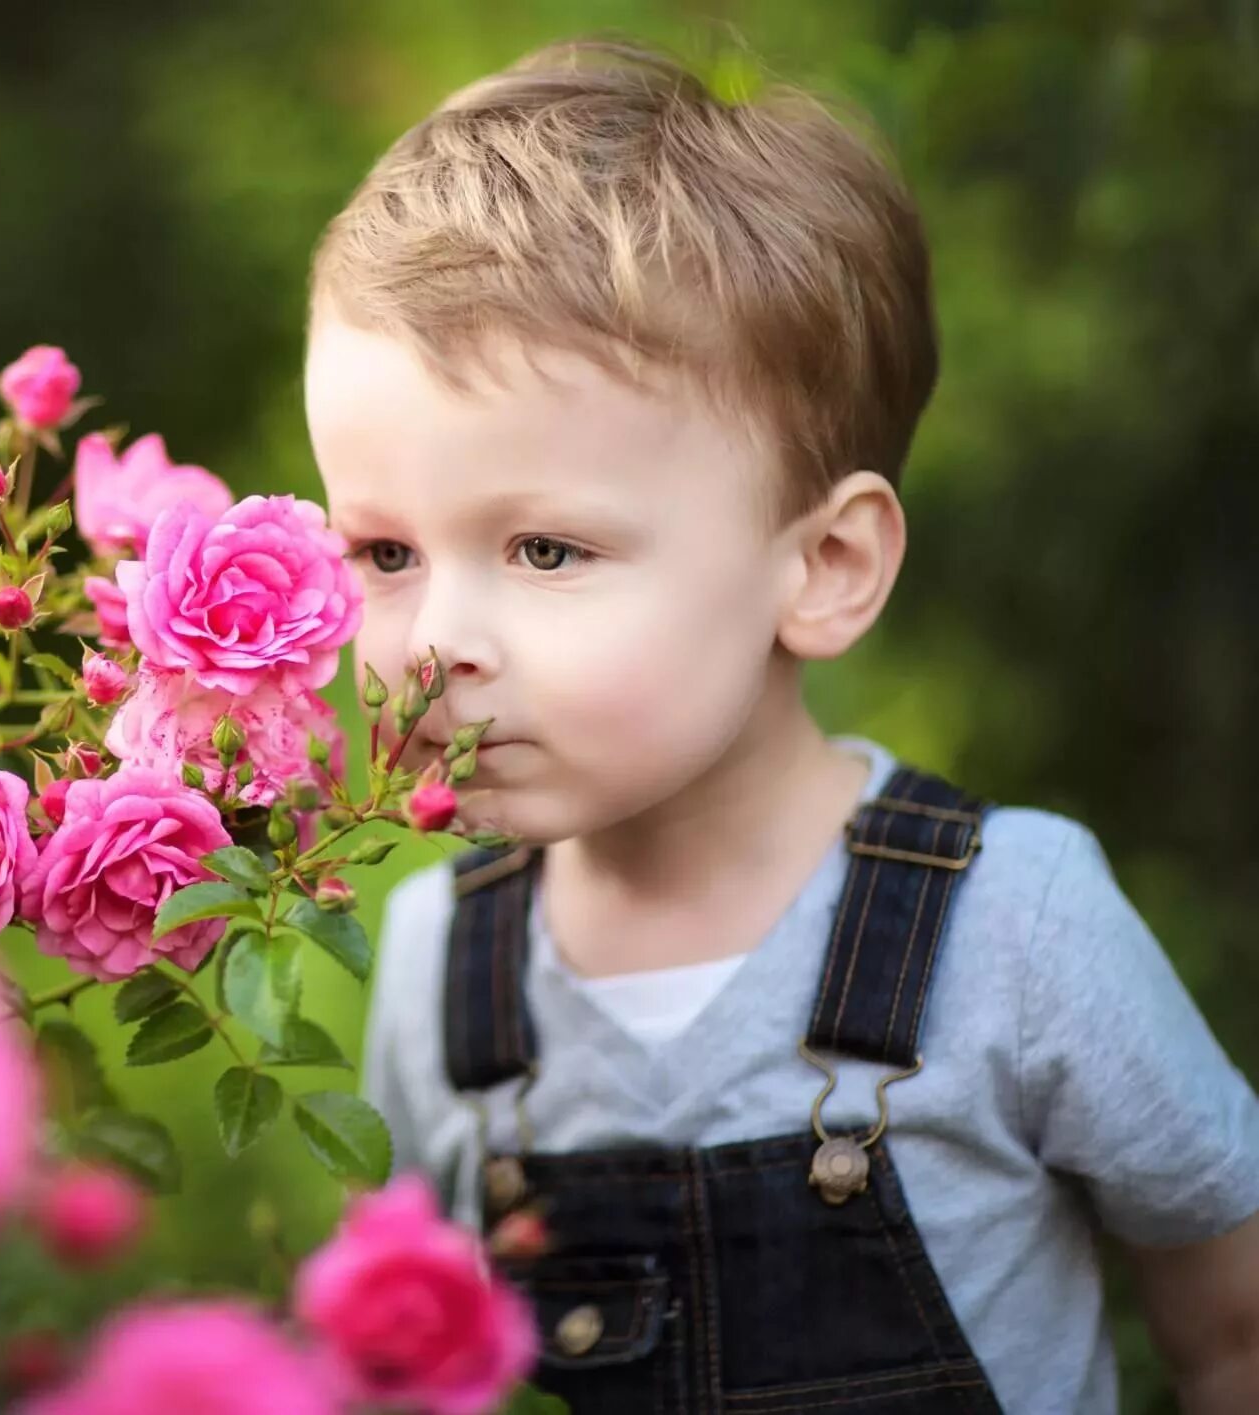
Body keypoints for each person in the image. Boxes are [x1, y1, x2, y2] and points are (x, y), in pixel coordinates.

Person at [302, 39, 1259, 1414]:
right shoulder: (441, 962)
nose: (435, 637)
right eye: (384, 553)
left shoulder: (1016, 927)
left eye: (547, 551)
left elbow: (1229, 1327)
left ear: (821, 568)